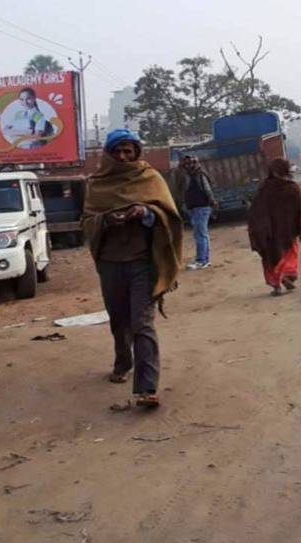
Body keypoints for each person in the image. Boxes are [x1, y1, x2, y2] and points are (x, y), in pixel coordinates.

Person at [81, 129, 183, 408]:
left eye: (128, 151)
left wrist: (146, 213)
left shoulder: (149, 178)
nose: (123, 157)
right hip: (110, 264)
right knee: (119, 320)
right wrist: (107, 220)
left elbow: (170, 216)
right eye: (117, 151)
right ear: (108, 154)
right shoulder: (96, 184)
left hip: (143, 263)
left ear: (137, 152)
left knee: (142, 323)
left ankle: (147, 388)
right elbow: (87, 222)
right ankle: (123, 361)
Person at [247, 158, 301, 296]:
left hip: (269, 232)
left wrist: (257, 230)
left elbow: (255, 210)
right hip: (287, 231)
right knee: (287, 254)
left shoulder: (265, 188)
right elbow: (300, 211)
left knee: (271, 257)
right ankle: (285, 277)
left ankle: (277, 285)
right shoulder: (293, 188)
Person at [180, 155, 217, 270]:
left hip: (201, 207)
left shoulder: (200, 175)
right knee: (201, 234)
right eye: (186, 164)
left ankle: (201, 260)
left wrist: (212, 203)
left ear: (196, 163)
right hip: (196, 208)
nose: (188, 166)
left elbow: (207, 190)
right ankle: (204, 259)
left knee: (200, 234)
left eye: (191, 163)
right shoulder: (190, 177)